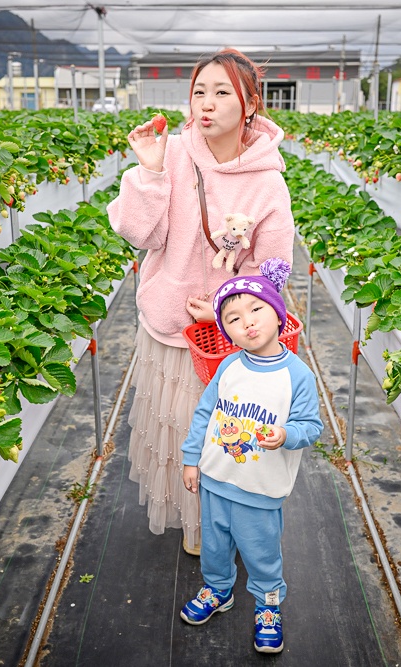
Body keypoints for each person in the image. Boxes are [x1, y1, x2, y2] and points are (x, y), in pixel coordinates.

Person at [106, 49, 296, 555]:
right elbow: (139, 233)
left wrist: (226, 311)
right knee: (179, 435)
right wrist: (148, 173)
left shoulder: (268, 183)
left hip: (225, 340)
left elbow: (272, 271)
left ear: (251, 102)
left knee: (227, 438)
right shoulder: (171, 154)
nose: (206, 104)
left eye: (222, 92)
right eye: (198, 92)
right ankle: (194, 528)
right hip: (170, 328)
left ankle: (222, 527)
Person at [178, 259, 323, 654]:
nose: (248, 322)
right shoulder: (227, 365)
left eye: (256, 309)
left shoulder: (297, 376)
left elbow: (312, 426)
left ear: (279, 315)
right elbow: (205, 415)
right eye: (233, 318)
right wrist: (192, 459)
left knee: (261, 553)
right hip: (216, 478)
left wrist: (287, 434)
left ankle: (268, 605)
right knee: (213, 545)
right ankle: (218, 589)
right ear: (227, 332)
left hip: (259, 489)